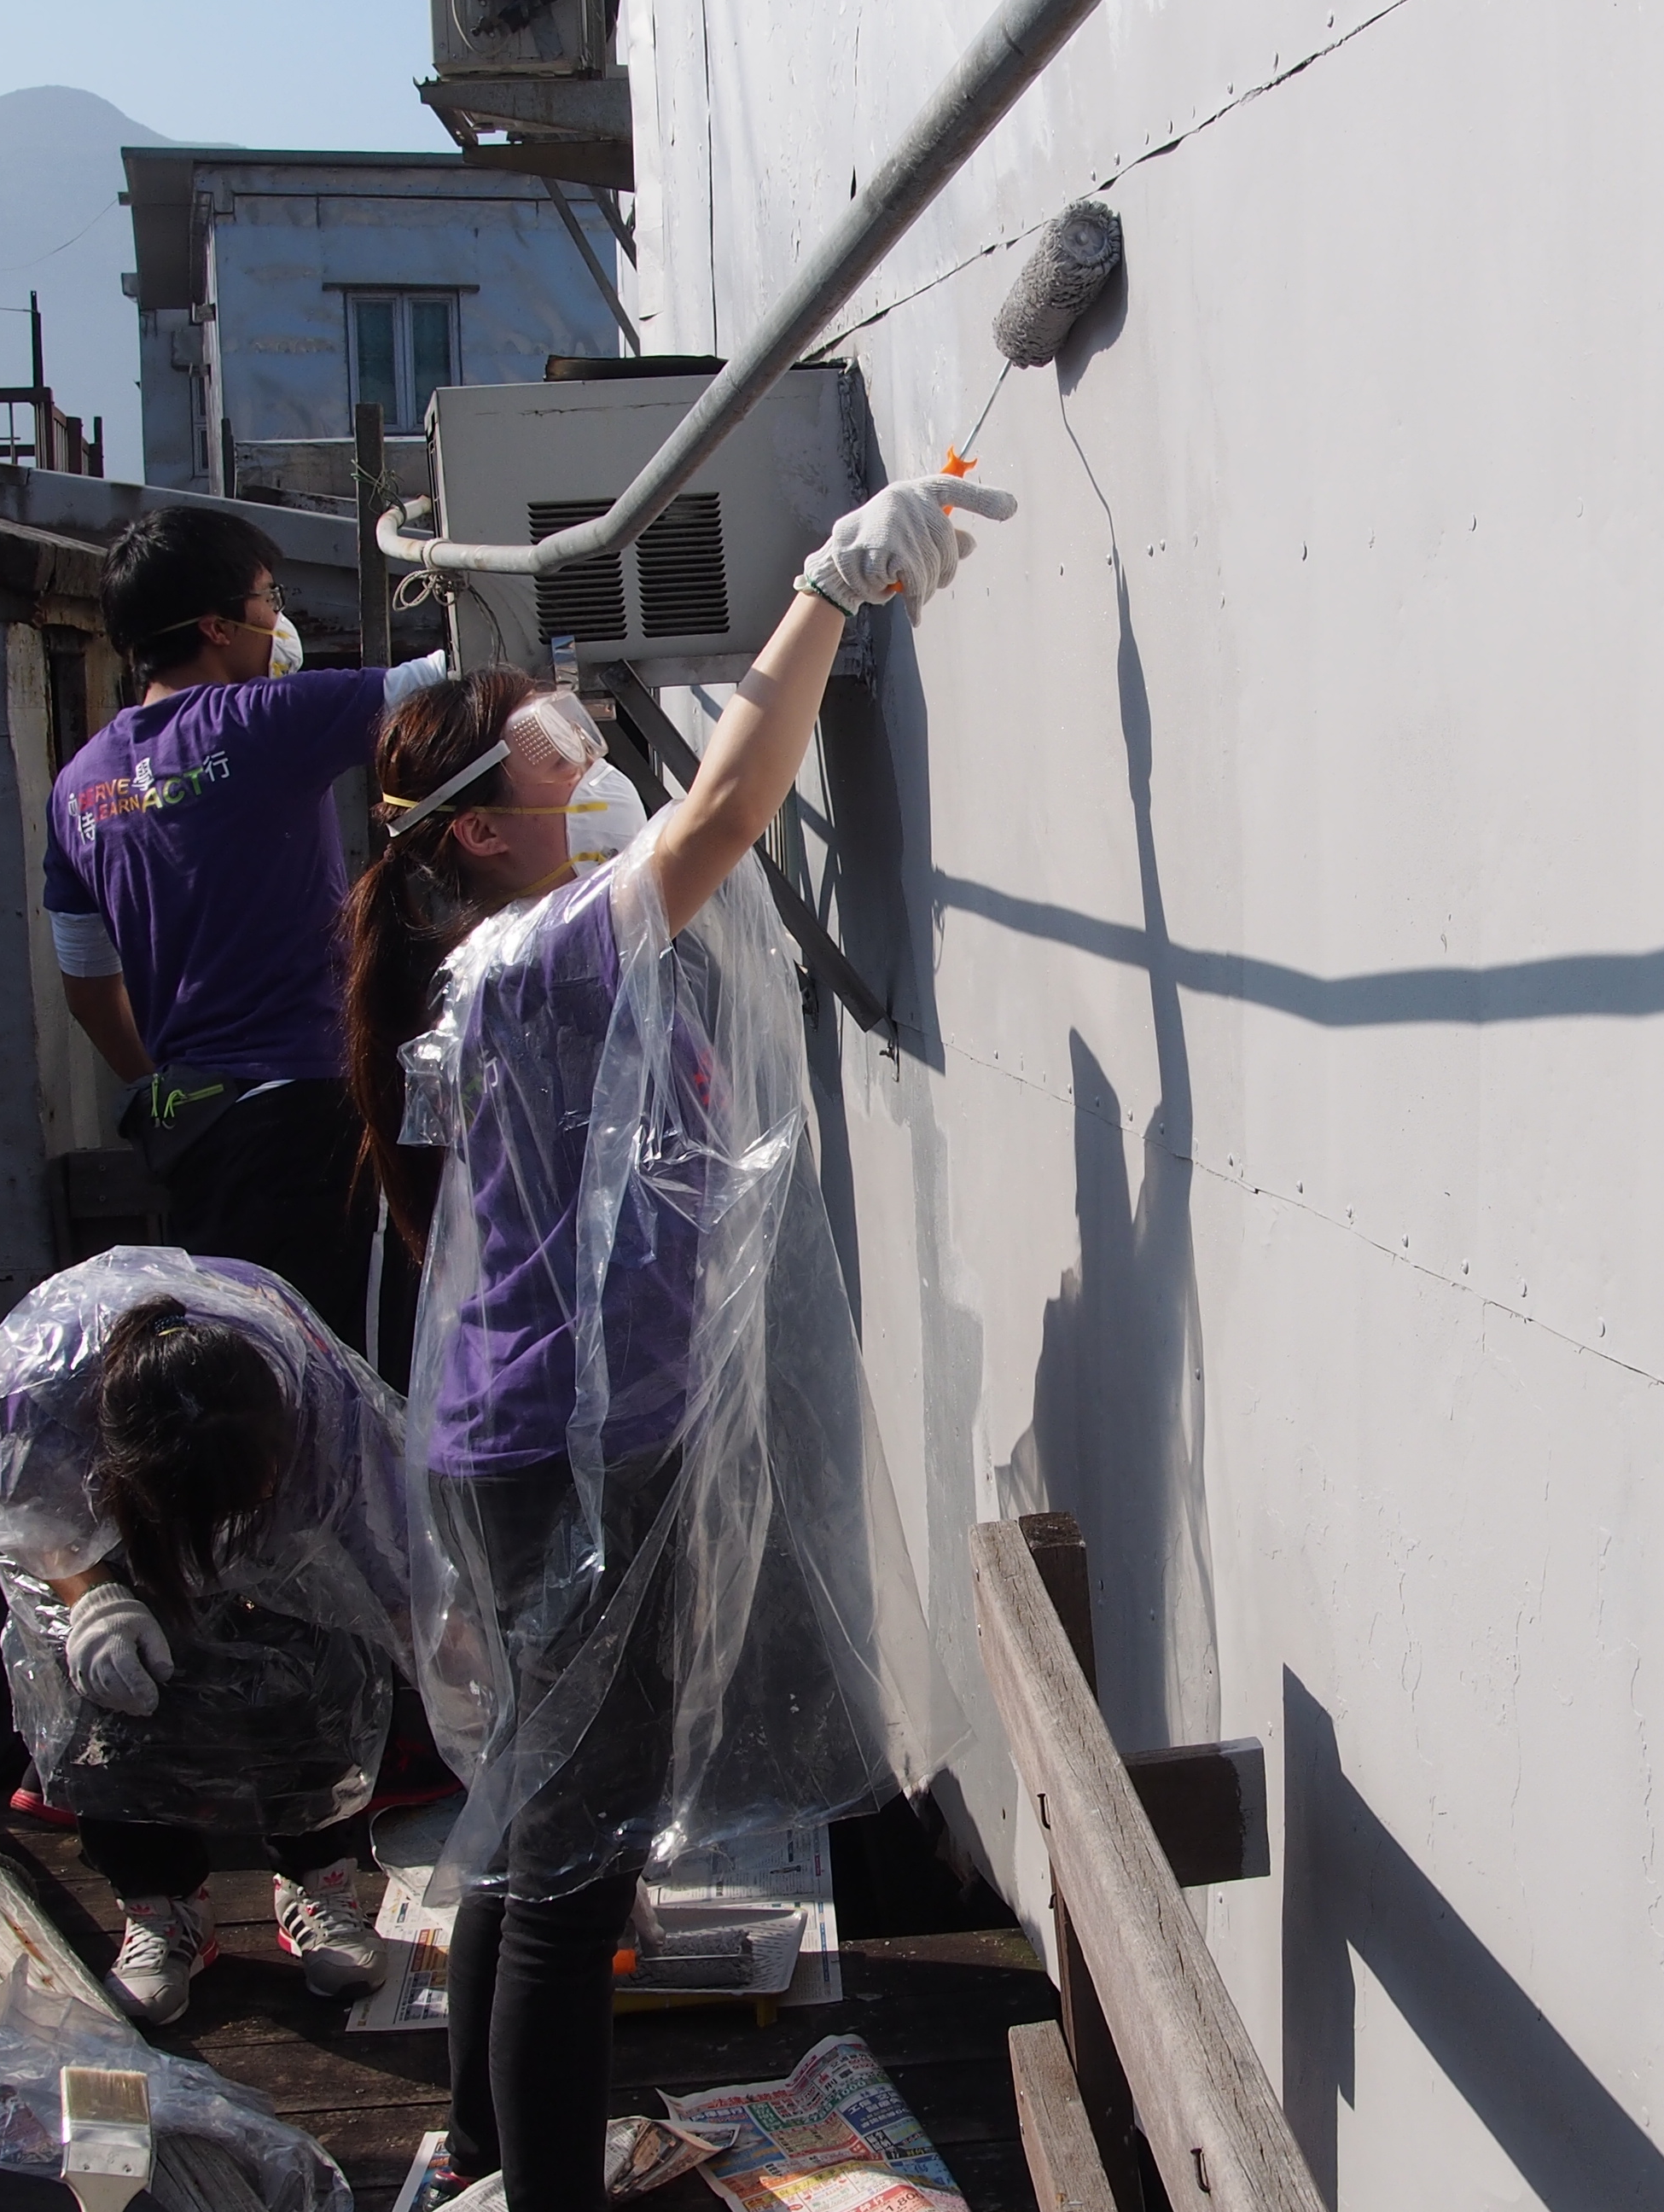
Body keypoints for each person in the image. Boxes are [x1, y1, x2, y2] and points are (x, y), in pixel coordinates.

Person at [354, 475, 1005, 2208]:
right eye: (552, 737)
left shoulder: (501, 954)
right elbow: (725, 810)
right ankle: (538, 2194)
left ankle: (490, 2161)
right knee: (572, 1864)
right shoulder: (548, 953)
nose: (583, 752)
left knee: (528, 1823)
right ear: (480, 830)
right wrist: (824, 591)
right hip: (573, 1454)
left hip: (530, 1440)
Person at [0, 1249, 437, 2025]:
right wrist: (92, 1595)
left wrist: (461, 1686)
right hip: (110, 1545)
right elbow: (8, 1503)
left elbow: (393, 1579)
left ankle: (318, 1880)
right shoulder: (44, 1389)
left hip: (278, 1552)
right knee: (114, 1698)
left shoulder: (324, 1412)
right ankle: (161, 1908)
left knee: (318, 1669)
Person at [47, 506, 450, 1353]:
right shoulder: (255, 720)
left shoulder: (78, 789)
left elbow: (87, 988)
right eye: (270, 598)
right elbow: (448, 685)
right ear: (216, 626)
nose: (279, 618)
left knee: (265, 1378)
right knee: (364, 1377)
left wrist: (181, 1083)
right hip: (312, 1116)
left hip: (202, 1136)